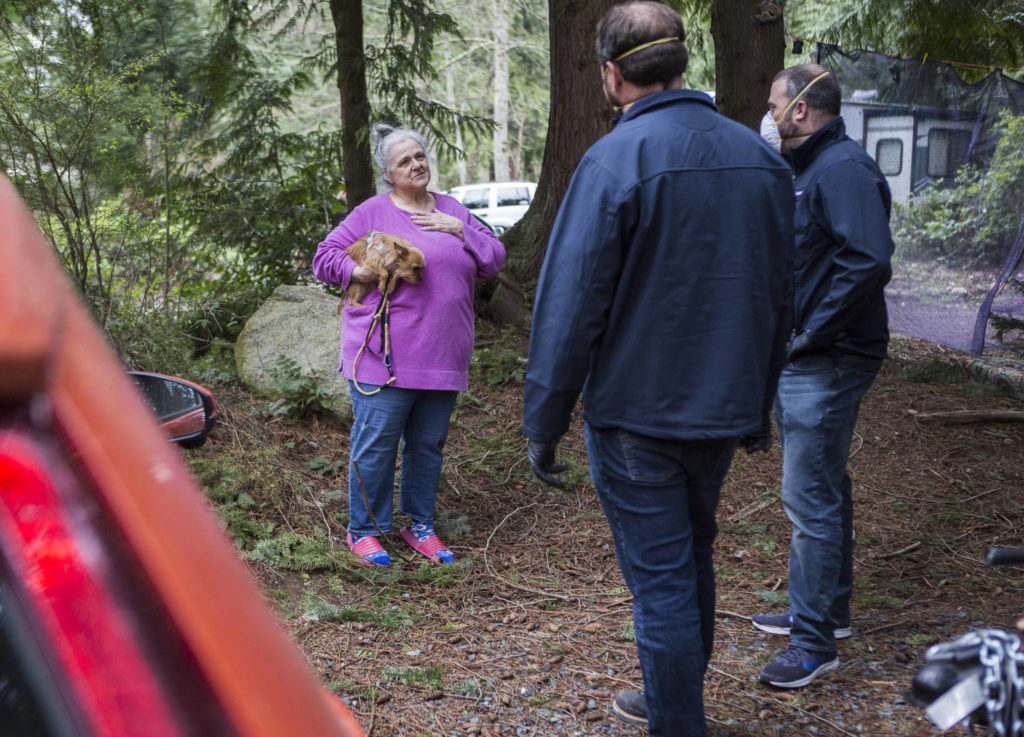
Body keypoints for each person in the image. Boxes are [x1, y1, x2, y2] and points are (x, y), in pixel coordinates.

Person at [521, 3, 794, 735]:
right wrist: (757, 403)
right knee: (691, 555)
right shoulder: (759, 157)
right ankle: (674, 693)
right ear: (680, 63)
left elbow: (570, 304)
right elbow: (779, 296)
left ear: (612, 75)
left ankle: (678, 717)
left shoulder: (615, 160)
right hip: (719, 408)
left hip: (638, 418)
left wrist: (542, 421)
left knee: (664, 581)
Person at [752, 64, 894, 689]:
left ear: (801, 110)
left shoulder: (844, 170)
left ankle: (812, 644)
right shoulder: (803, 167)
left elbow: (868, 261)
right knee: (826, 484)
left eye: (774, 104)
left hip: (829, 358)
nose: (769, 113)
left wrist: (812, 335)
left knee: (808, 496)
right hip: (804, 355)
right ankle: (828, 613)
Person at [313, 123, 505, 567]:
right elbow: (325, 258)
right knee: (376, 444)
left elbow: (493, 260)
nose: (416, 164)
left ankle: (419, 524)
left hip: (444, 354)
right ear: (388, 173)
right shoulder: (371, 212)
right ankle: (364, 530)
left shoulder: (453, 210)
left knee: (428, 445)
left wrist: (460, 229)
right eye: (405, 161)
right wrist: (358, 272)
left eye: (419, 156)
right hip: (385, 357)